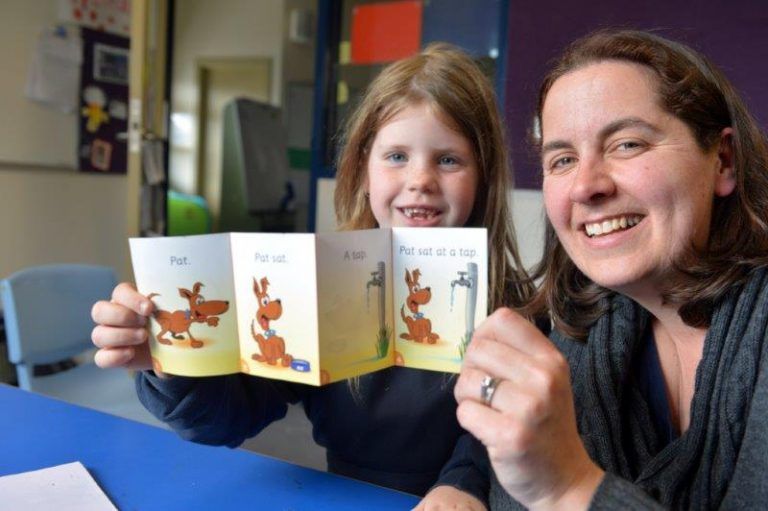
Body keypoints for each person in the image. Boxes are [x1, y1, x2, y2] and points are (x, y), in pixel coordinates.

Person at [91, 43, 534, 509]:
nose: (420, 179)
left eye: (448, 160)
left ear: (482, 176)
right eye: (397, 156)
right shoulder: (320, 287)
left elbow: (516, 427)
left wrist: (462, 481)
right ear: (364, 170)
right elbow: (229, 418)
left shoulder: (511, 308)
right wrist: (172, 365)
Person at [455, 28, 768, 510]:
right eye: (561, 159)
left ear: (722, 161)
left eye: (626, 145)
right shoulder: (580, 333)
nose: (586, 186)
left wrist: (568, 487)